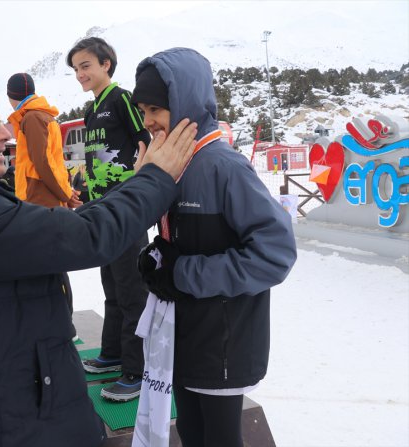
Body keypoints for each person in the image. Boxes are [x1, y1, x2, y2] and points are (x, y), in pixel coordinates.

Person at [0, 75, 198, 447]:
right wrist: (156, 179)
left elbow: (66, 225)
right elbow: (87, 236)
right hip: (6, 424)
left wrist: (136, 184)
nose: (3, 135)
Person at [132, 48, 297, 447]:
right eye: (143, 110)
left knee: (219, 437)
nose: (149, 121)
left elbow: (274, 253)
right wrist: (157, 253)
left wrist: (182, 274)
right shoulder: (174, 163)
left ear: (185, 102)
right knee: (190, 430)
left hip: (223, 340)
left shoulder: (223, 166)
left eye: (158, 108)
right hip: (183, 331)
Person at [67, 36, 152, 401]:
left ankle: (137, 371)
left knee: (133, 292)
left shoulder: (121, 99)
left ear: (106, 64)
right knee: (112, 287)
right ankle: (113, 353)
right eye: (75, 69)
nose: (80, 73)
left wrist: (143, 175)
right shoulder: (92, 109)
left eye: (85, 65)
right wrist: (84, 190)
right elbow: (98, 156)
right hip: (104, 210)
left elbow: (145, 135)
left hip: (128, 209)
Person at [6, 72, 81, 335]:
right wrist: (65, 190)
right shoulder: (41, 115)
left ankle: (61, 323)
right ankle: (59, 321)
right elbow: (55, 161)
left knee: (49, 267)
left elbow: (43, 162)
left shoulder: (32, 117)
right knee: (51, 265)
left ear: (10, 96)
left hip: (39, 201)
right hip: (45, 198)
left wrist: (63, 193)